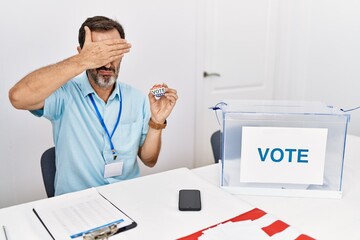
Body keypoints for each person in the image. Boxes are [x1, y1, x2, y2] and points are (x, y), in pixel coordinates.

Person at [8, 16, 178, 196]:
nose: (106, 62)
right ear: (82, 52)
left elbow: (149, 160)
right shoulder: (64, 94)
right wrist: (82, 61)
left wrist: (157, 122)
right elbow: (18, 97)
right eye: (98, 53)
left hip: (128, 198)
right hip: (78, 203)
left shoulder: (137, 98)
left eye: (112, 52)